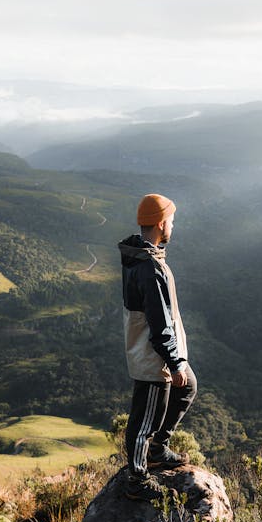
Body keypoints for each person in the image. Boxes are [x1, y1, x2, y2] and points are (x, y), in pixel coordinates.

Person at [118, 193, 197, 501]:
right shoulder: (149, 266)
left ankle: (157, 450)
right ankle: (136, 478)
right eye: (172, 221)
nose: (174, 226)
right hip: (153, 358)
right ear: (162, 223)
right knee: (144, 420)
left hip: (160, 352)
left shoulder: (144, 255)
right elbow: (158, 321)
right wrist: (173, 362)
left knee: (187, 387)